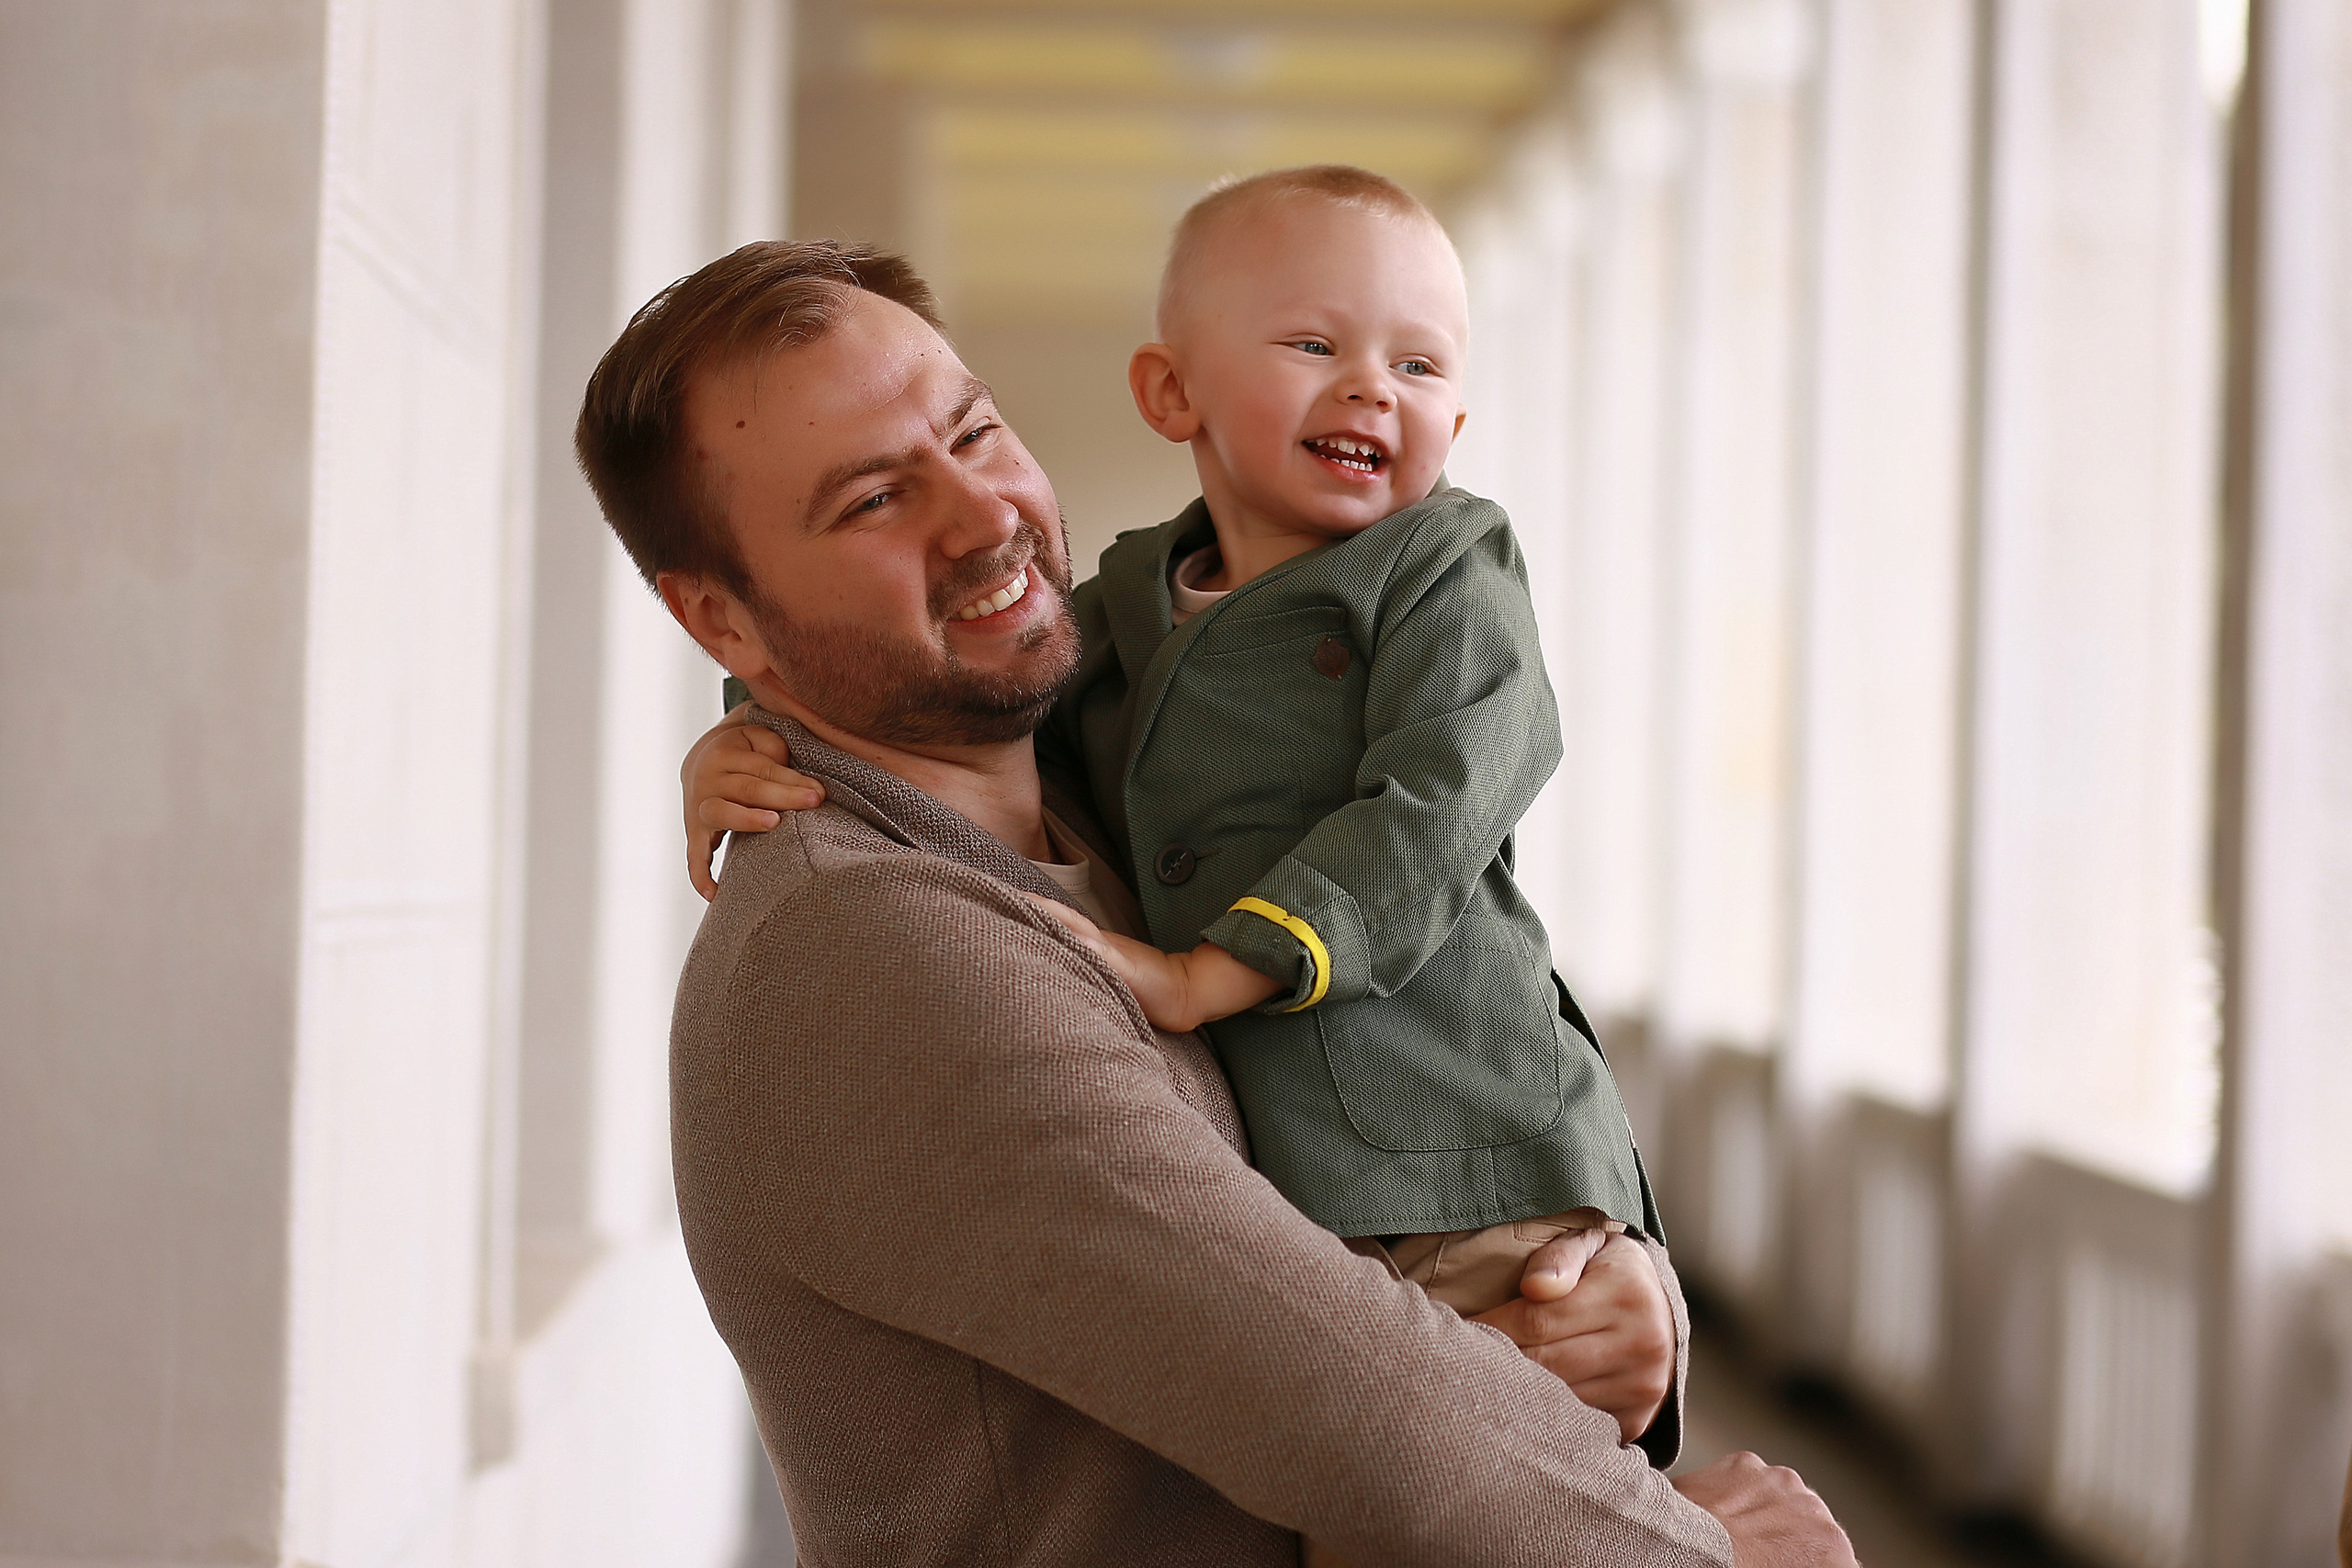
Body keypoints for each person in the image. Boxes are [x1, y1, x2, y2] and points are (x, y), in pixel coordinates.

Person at [583, 237, 1853, 1564]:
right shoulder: (869, 946)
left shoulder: (1112, 821)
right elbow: (1365, 1406)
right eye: (871, 501)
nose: (982, 519)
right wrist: (1706, 1552)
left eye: (973, 432)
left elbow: (1458, 1007)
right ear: (719, 620)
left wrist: (1614, 1280)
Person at [693, 166, 1651, 1352]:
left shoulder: (1449, 565)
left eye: (1418, 366)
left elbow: (1439, 804)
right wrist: (750, 728)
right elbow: (929, 686)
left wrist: (1218, 970)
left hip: (1459, 1152)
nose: (1371, 387)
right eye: (1315, 343)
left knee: (1486, 1502)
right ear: (1170, 392)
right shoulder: (1134, 603)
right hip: (1293, 1194)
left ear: (1453, 426)